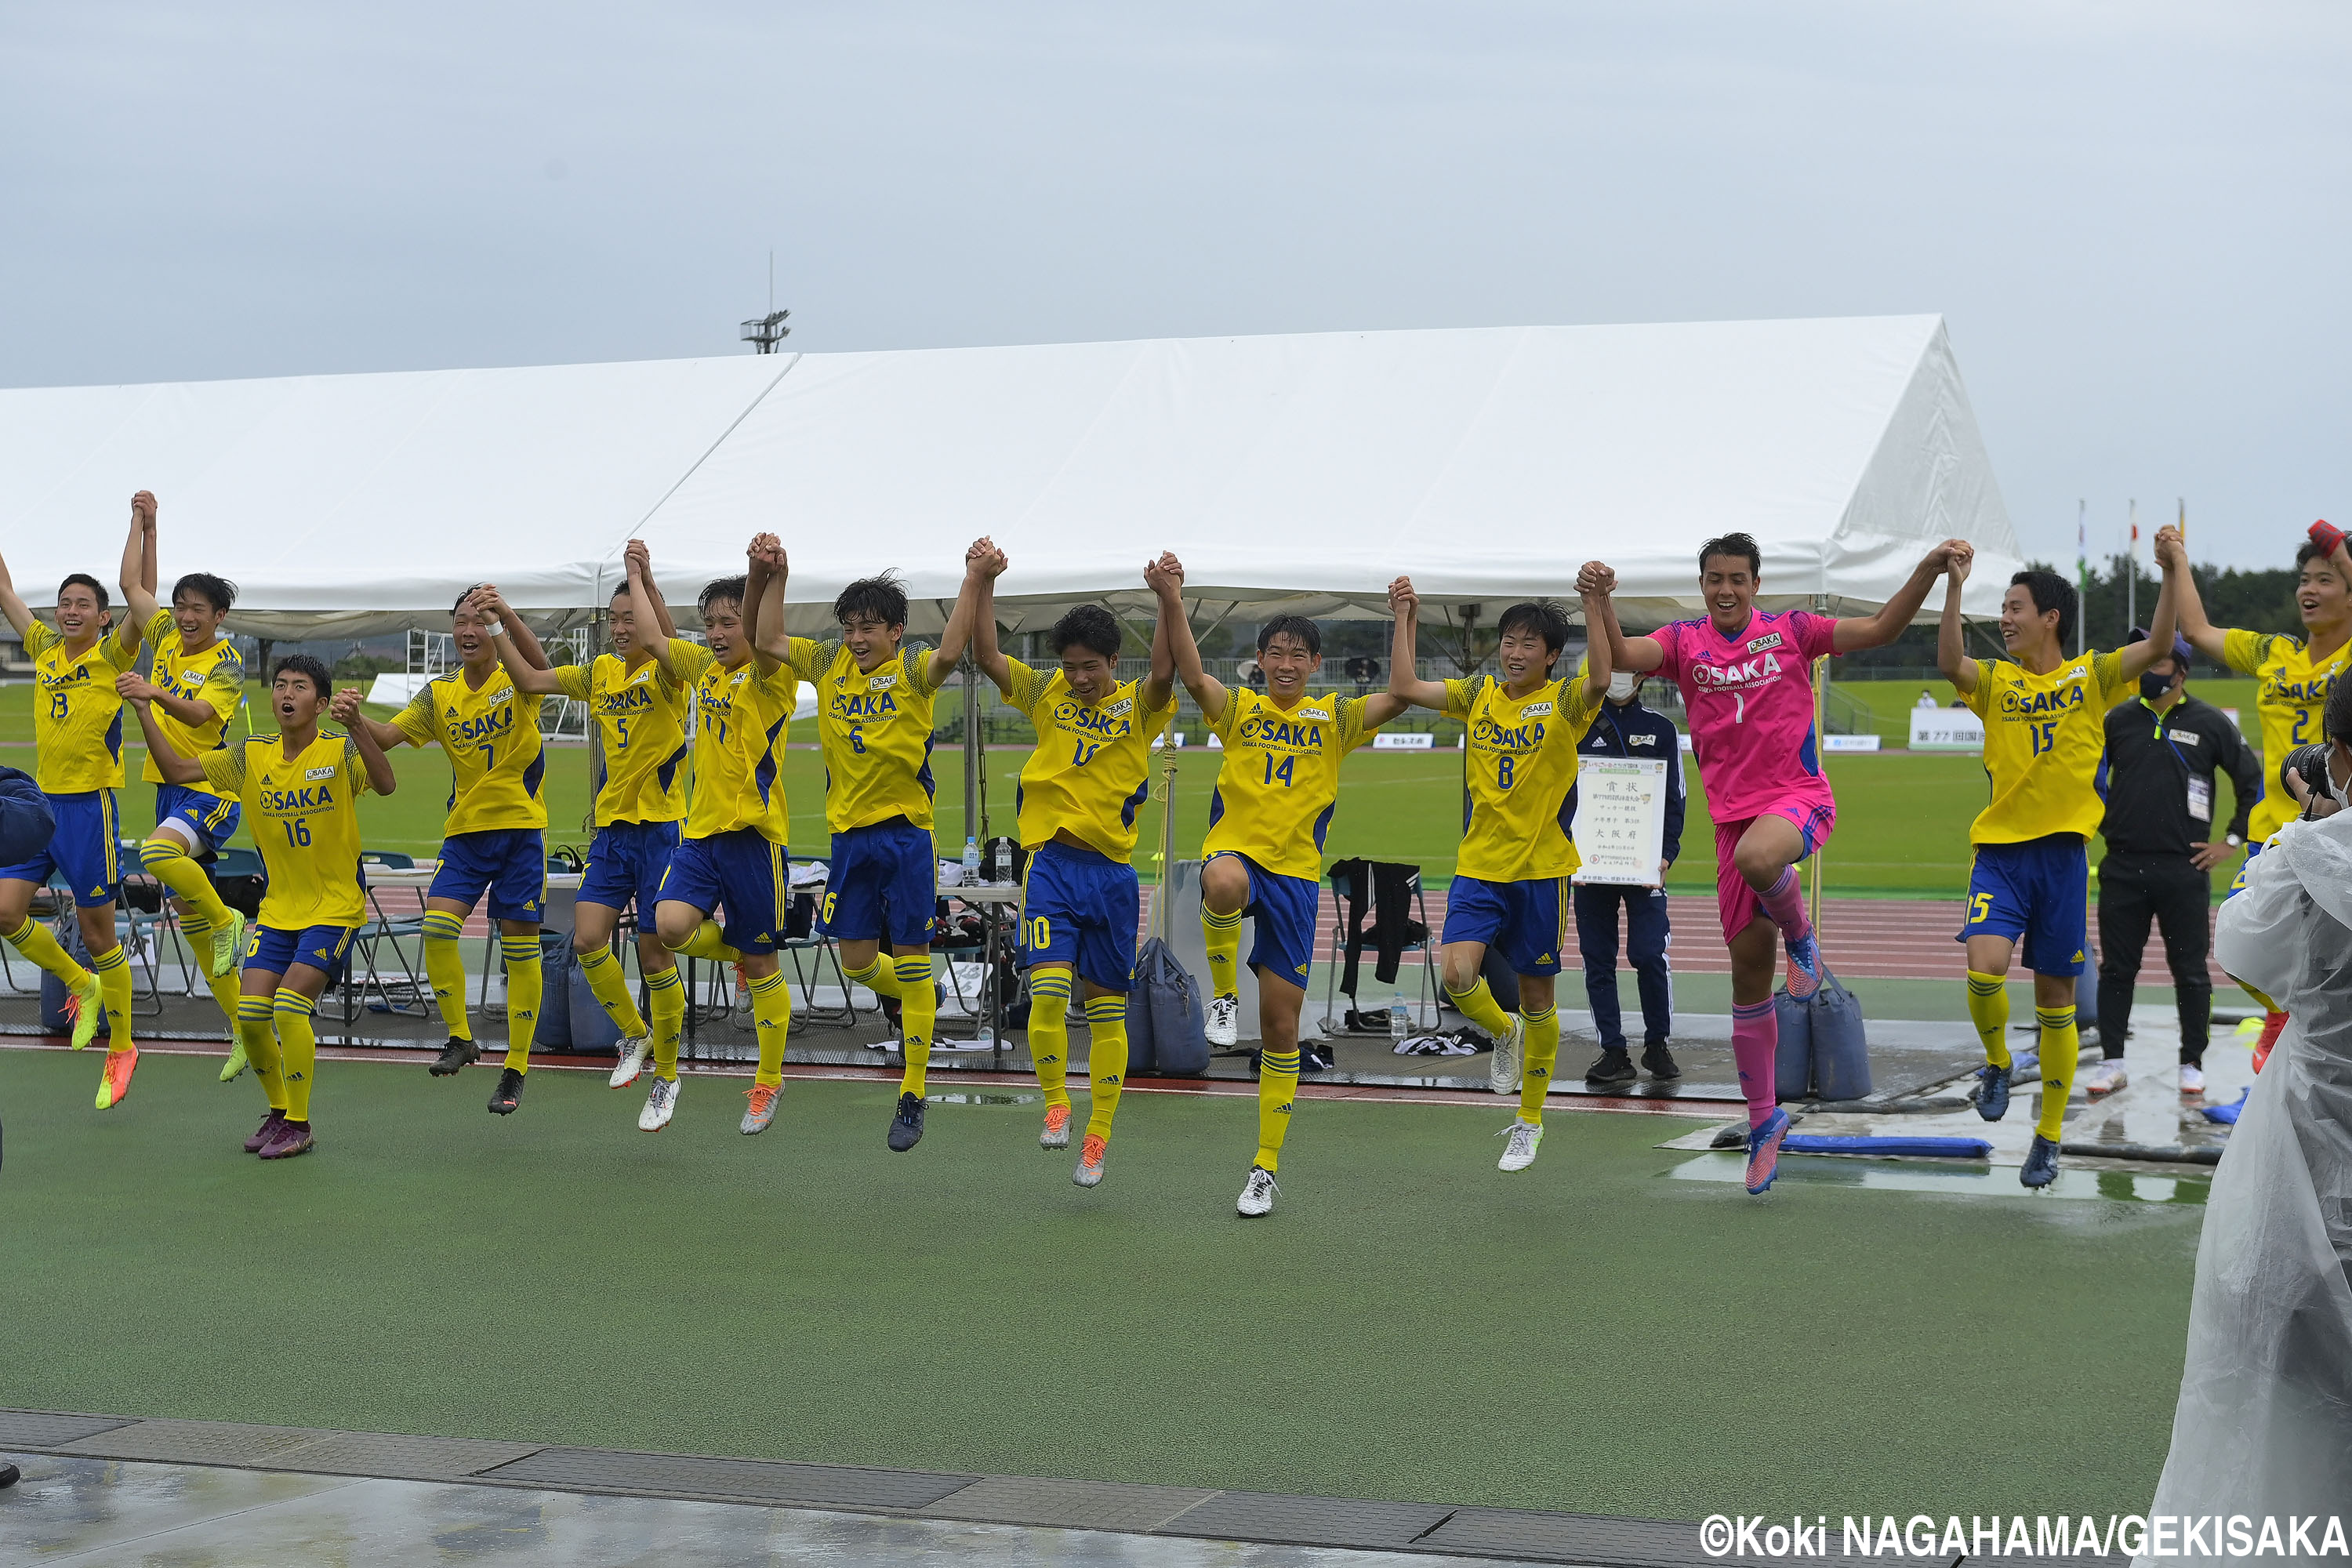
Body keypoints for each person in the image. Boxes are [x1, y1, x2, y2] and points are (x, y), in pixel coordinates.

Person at [1583, 533, 1964, 1194]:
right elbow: (1620, 654)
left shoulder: (1793, 630)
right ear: (1701, 585)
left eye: (1736, 578)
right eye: (1713, 579)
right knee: (1748, 981)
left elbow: (1879, 628)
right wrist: (1600, 601)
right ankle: (1764, 1122)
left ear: (1756, 584)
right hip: (1731, 828)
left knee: (1765, 858)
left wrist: (1929, 572)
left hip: (1796, 800)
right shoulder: (1682, 643)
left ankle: (1804, 937)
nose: (1725, 589)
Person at [2138, 672, 2352, 1526]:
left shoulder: (2313, 852)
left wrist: (2313, 821)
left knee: (2279, 1389)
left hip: (2310, 1150)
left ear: (2336, 752)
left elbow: (2246, 947)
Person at [1150, 555, 1408, 1216]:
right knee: (1224, 881)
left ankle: (1264, 1167)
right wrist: (1173, 599)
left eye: (1298, 654)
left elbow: (1401, 693)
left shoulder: (1335, 721)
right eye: (1275, 653)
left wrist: (1403, 616)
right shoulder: (1237, 710)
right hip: (1241, 856)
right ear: (1259, 661)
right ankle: (1223, 1000)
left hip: (1296, 880)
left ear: (1315, 664)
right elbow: (1189, 671)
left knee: (1283, 1029)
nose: (1287, 664)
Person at [1939, 525, 2183, 1189]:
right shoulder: (1995, 682)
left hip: (2064, 861)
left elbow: (2159, 647)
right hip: (1999, 855)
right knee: (1984, 968)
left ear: (2050, 617)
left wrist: (2167, 571)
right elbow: (1950, 662)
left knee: (2055, 1003)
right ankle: (1996, 1062)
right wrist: (1955, 586)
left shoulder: (2094, 675)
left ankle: (2046, 1137)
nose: (2005, 619)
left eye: (2014, 608)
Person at [764, 540, 998, 1153]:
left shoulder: (914, 671)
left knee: (913, 962)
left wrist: (973, 578)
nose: (856, 639)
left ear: (896, 632)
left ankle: (913, 1093)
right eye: (849, 629)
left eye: (868, 628)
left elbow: (952, 649)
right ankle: (923, 995)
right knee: (861, 963)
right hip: (849, 842)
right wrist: (774, 576)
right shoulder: (826, 666)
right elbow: (768, 641)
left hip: (905, 838)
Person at [1386, 575, 1612, 1174]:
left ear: (1550, 656)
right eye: (1508, 641)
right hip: (1478, 867)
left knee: (1539, 999)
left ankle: (1529, 1122)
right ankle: (1501, 1033)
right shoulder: (1478, 694)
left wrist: (1595, 604)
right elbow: (1404, 685)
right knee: (1457, 973)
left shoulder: (1565, 702)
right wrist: (1404, 615)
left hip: (1540, 873)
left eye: (1528, 645)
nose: (1514, 653)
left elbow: (1601, 679)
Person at [128, 656, 397, 1159]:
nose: (286, 693)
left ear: (319, 703)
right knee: (251, 1017)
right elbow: (176, 770)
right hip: (277, 911)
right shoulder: (250, 756)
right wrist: (145, 709)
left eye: (299, 686)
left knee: (291, 1007)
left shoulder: (338, 751)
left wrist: (358, 725)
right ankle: (278, 1110)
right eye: (279, 685)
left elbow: (385, 783)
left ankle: (300, 1122)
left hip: (334, 908)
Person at [972, 558, 1178, 1189]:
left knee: (1107, 1011)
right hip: (1053, 868)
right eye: (1071, 666)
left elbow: (1167, 671)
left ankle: (1099, 1134)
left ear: (1115, 664)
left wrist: (1170, 597)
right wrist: (981, 582)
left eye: (1092, 666)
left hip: (1112, 877)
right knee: (1049, 992)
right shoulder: (1046, 694)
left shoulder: (1140, 708)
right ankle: (1057, 1103)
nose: (1080, 677)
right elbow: (986, 653)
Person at [478, 548, 690, 1131]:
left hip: (660, 834)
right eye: (616, 619)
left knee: (654, 955)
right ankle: (636, 1036)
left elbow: (663, 633)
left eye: (633, 618)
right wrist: (501, 619)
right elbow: (528, 678)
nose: (623, 628)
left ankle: (667, 1078)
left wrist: (643, 579)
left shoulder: (671, 671)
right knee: (589, 939)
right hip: (611, 833)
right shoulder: (599, 672)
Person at [348, 587, 555, 1113]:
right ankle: (462, 1038)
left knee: (519, 948)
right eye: (461, 621)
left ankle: (516, 1069)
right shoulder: (439, 694)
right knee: (437, 930)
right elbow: (390, 736)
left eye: (478, 621)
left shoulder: (517, 678)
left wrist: (505, 613)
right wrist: (351, 718)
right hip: (464, 835)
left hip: (521, 833)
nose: (468, 631)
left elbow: (539, 666)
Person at [2172, 517, 2352, 1073]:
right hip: (2275, 832)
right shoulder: (2274, 651)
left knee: (2334, 961)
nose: (2308, 589)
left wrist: (2339, 547)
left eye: (2325, 579)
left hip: (2341, 828)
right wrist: (2177, 560)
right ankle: (2283, 1014)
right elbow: (2198, 630)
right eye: (2303, 579)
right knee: (2242, 949)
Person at [635, 537, 800, 1134]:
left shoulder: (769, 677)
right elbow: (656, 638)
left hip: (754, 840)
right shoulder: (704, 671)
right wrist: (641, 573)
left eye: (728, 622)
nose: (717, 633)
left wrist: (762, 578)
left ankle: (768, 1081)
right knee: (669, 926)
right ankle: (746, 948)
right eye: (710, 624)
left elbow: (763, 632)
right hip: (702, 837)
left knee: (760, 969)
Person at [0, 517, 153, 1105]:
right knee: (6, 913)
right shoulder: (42, 648)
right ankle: (79, 984)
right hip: (38, 807)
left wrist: (142, 526)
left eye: (82, 604)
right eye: (63, 603)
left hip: (90, 811)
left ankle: (123, 1047)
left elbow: (138, 594)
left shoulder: (114, 655)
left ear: (101, 616)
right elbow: (6, 591)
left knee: (97, 931)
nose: (69, 611)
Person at [113, 491, 252, 1074]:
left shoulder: (226, 662)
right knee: (192, 927)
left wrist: (152, 693)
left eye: (199, 608)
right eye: (181, 605)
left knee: (156, 854)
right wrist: (144, 524)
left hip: (210, 790)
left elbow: (199, 717)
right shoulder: (166, 634)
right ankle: (245, 1031)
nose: (186, 615)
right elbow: (130, 586)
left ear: (219, 616)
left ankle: (231, 919)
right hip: (171, 790)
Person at [2090, 627, 2258, 1098]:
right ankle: (2112, 1061)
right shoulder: (2118, 719)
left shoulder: (2209, 722)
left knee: (2190, 970)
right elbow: (2088, 779)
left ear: (2180, 672)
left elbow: (2251, 780)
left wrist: (2231, 839)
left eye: (2157, 663)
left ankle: (2191, 1062)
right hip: (2122, 866)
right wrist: (2102, 823)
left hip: (2185, 869)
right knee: (2117, 970)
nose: (2145, 671)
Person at [1566, 670, 1686, 1085]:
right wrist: (1570, 851)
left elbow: (1676, 796)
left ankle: (1658, 1043)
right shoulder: (1575, 722)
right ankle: (1613, 1050)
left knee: (1649, 953)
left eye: (1626, 669)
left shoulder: (1661, 728)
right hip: (1589, 864)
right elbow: (1561, 791)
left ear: (1641, 674)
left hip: (1645, 864)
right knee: (1597, 958)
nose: (1618, 678)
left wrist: (1667, 853)